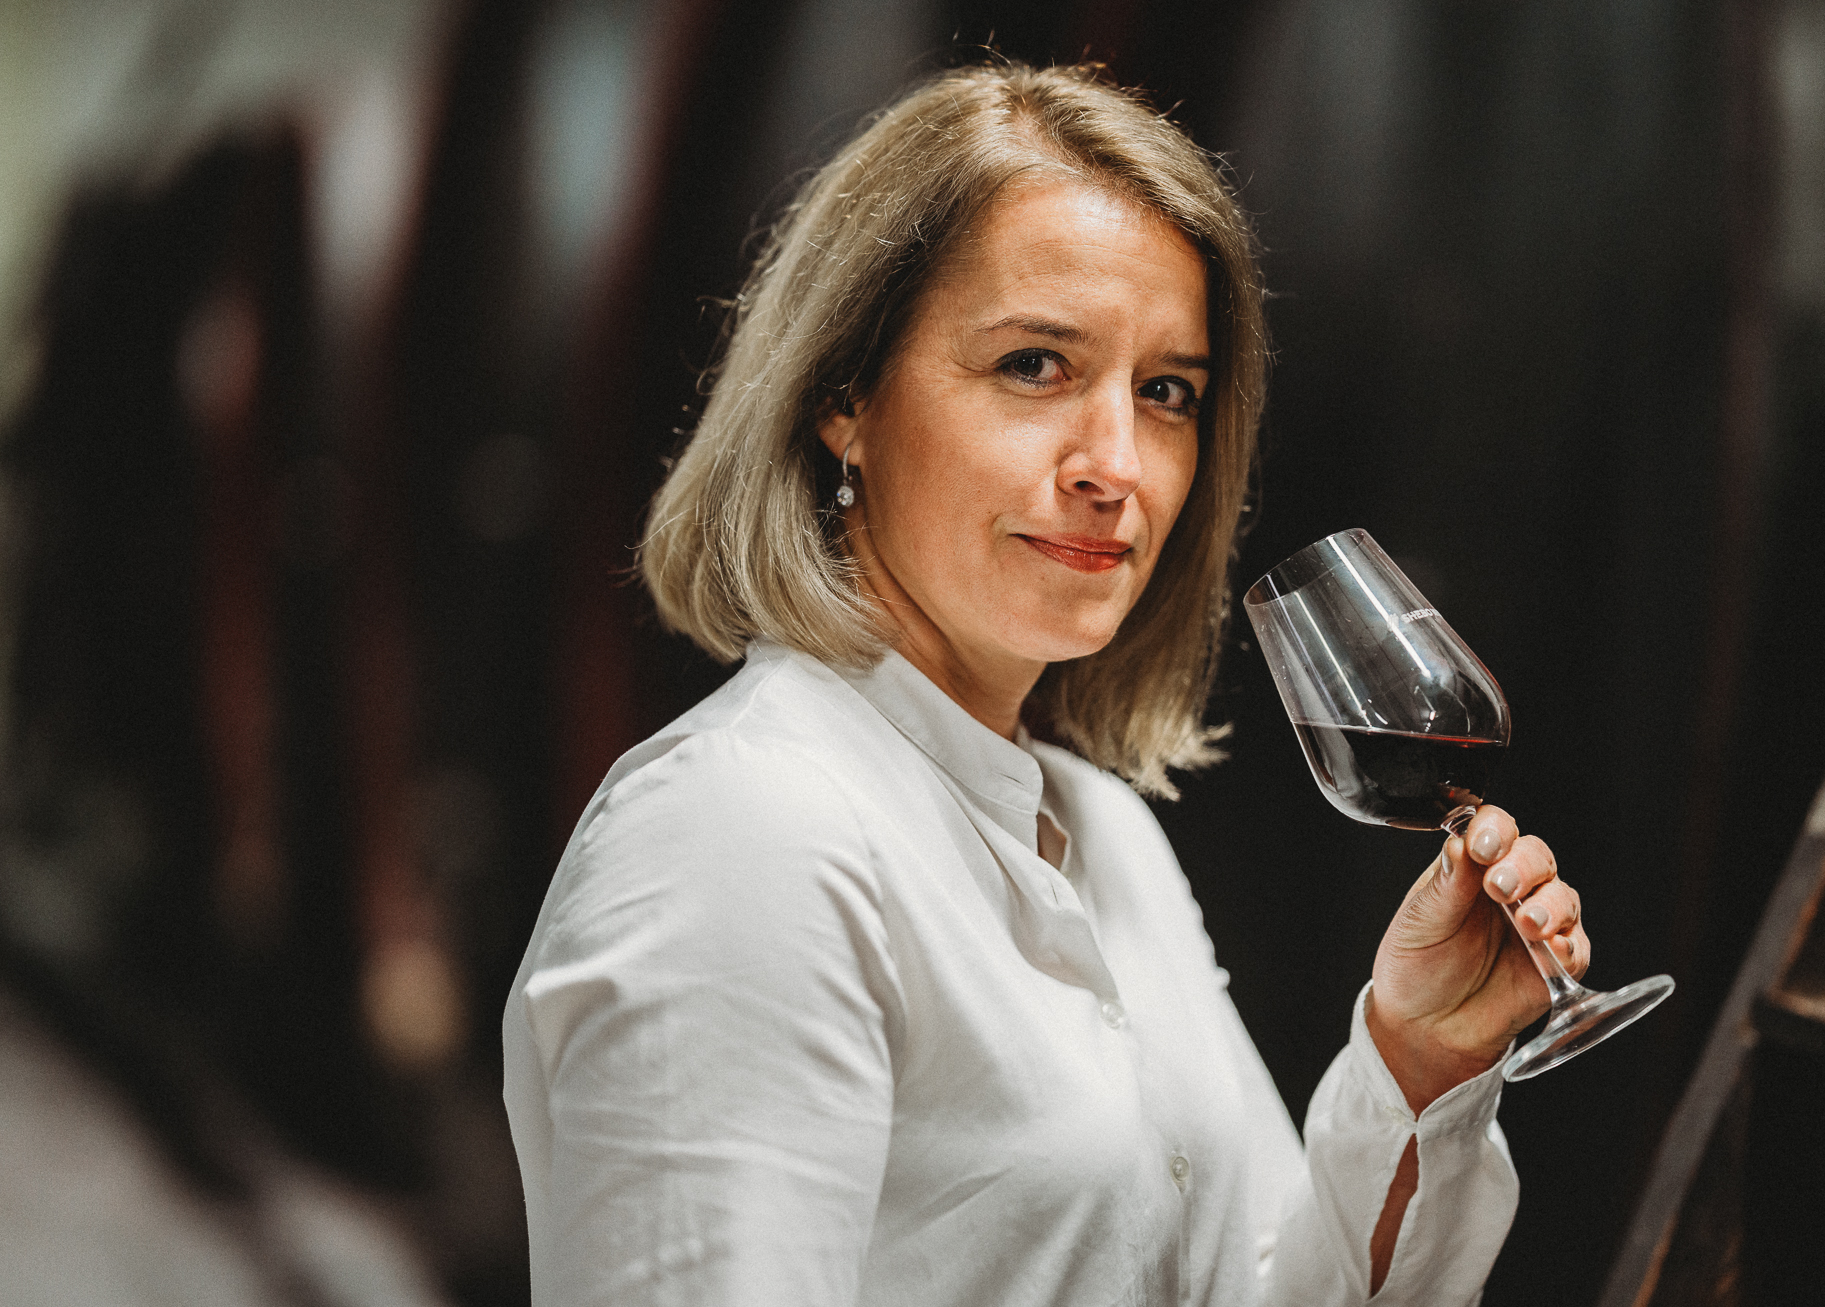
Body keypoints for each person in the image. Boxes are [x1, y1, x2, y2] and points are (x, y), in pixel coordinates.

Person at [502, 62, 1588, 1306]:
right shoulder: (741, 833)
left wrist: (1415, 1055)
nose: (1116, 463)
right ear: (843, 396)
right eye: (1034, 365)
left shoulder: (1107, 835)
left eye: (1166, 392)